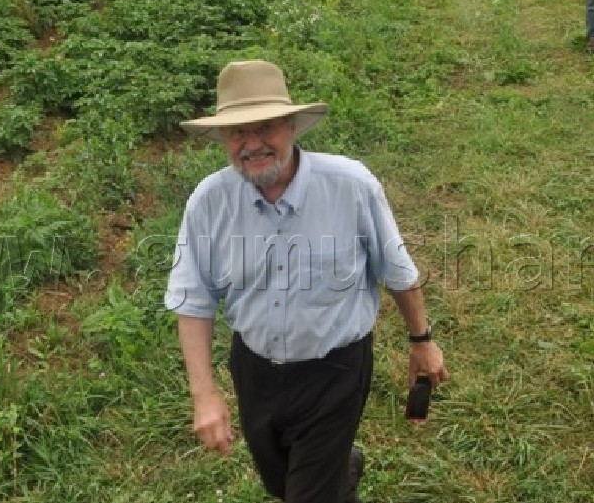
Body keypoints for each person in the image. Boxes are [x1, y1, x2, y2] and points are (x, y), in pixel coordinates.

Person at [165, 59, 448, 503]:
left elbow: (396, 269)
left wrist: (422, 339)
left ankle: (334, 474)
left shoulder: (349, 186)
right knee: (283, 484)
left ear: (292, 126)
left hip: (334, 370)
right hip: (254, 371)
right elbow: (192, 300)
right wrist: (205, 394)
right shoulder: (209, 202)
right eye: (238, 131)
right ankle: (344, 471)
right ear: (223, 137)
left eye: (267, 128)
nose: (253, 144)